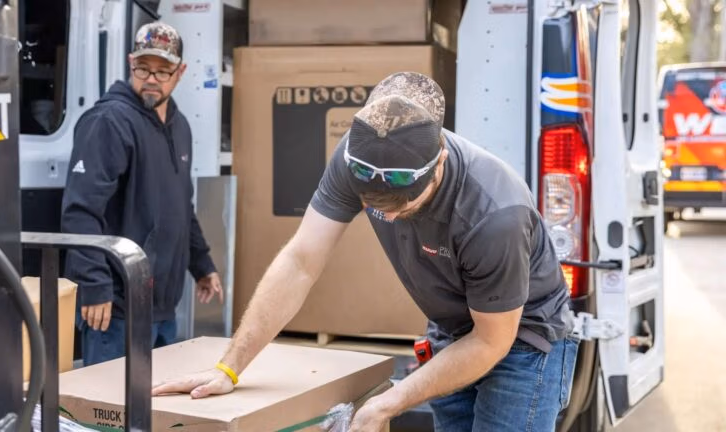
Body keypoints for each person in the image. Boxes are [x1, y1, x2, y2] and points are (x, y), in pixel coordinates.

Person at [152, 72, 579, 432]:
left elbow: (490, 342)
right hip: (452, 329)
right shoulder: (357, 157)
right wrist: (229, 368)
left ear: (440, 162)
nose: (387, 216)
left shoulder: (493, 214)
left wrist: (390, 401)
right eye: (374, 206)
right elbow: (301, 261)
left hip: (521, 340)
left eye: (403, 205)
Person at [61, 21, 222, 367]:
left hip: (163, 305)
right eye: (144, 68)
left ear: (180, 73)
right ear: (130, 62)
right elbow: (80, 212)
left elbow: (182, 205)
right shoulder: (108, 122)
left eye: (163, 71)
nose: (151, 78)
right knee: (109, 414)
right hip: (116, 307)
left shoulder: (179, 127)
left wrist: (202, 264)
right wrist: (95, 286)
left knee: (155, 410)